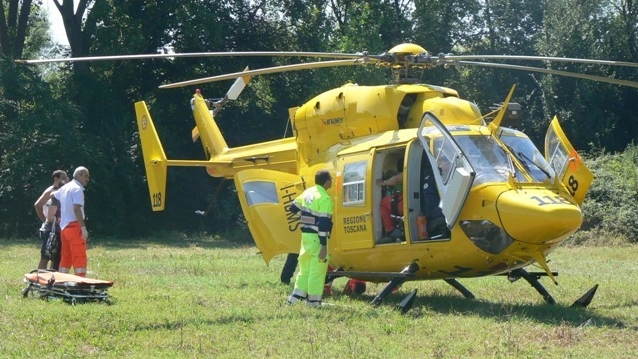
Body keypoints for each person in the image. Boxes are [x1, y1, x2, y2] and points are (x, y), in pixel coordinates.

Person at [286, 169, 334, 307]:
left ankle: (295, 298)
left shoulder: (308, 192)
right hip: (317, 239)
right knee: (317, 271)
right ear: (327, 181)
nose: (332, 181)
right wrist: (324, 245)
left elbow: (292, 208)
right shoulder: (324, 198)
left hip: (305, 237)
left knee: (305, 269)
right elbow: (324, 224)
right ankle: (313, 303)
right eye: (331, 179)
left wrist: (306, 219)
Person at [54, 166, 90, 277]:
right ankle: (80, 281)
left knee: (66, 257)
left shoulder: (65, 187)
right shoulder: (77, 189)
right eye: (86, 176)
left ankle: (61, 280)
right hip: (75, 226)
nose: (87, 179)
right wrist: (83, 228)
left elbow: (53, 195)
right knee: (79, 255)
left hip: (64, 228)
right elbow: (76, 208)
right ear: (78, 175)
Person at [34, 170, 68, 270]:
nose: (66, 181)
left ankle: (51, 279)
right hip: (50, 229)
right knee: (45, 256)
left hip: (58, 229)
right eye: (64, 178)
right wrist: (45, 220)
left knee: (55, 258)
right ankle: (40, 279)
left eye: (67, 178)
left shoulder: (61, 191)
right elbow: (37, 205)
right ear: (56, 179)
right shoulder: (51, 190)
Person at [375, 171, 404, 243]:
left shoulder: (410, 167)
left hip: (406, 200)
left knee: (384, 203)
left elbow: (396, 180)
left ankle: (390, 231)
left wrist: (384, 182)